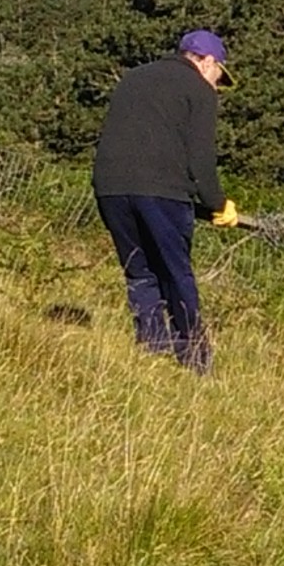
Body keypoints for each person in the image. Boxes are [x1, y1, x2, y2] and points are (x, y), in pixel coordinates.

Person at [92, 29, 239, 374]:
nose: (218, 84)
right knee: (175, 274)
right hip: (162, 191)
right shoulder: (199, 89)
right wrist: (217, 202)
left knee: (140, 271)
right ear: (206, 62)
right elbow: (200, 157)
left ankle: (152, 351)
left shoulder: (134, 77)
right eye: (219, 73)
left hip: (111, 188)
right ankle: (194, 359)